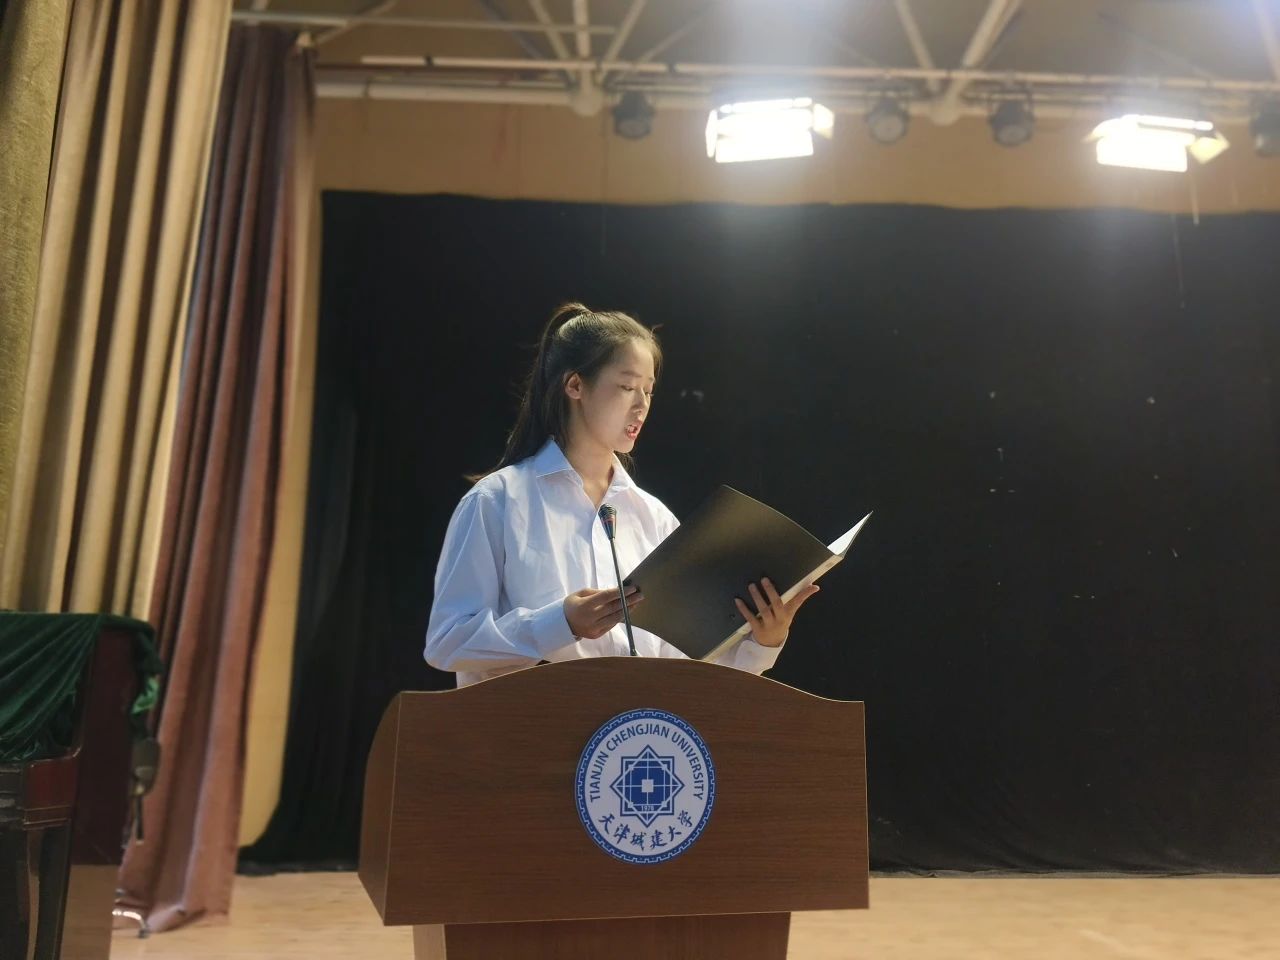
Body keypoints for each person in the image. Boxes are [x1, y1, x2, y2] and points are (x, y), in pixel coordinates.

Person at [424, 303, 820, 687]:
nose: (642, 405)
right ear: (575, 385)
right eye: (628, 386)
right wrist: (560, 623)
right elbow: (447, 643)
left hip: (635, 730)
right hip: (529, 728)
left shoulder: (654, 518)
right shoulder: (497, 501)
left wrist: (761, 643)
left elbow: (688, 670)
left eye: (649, 391)